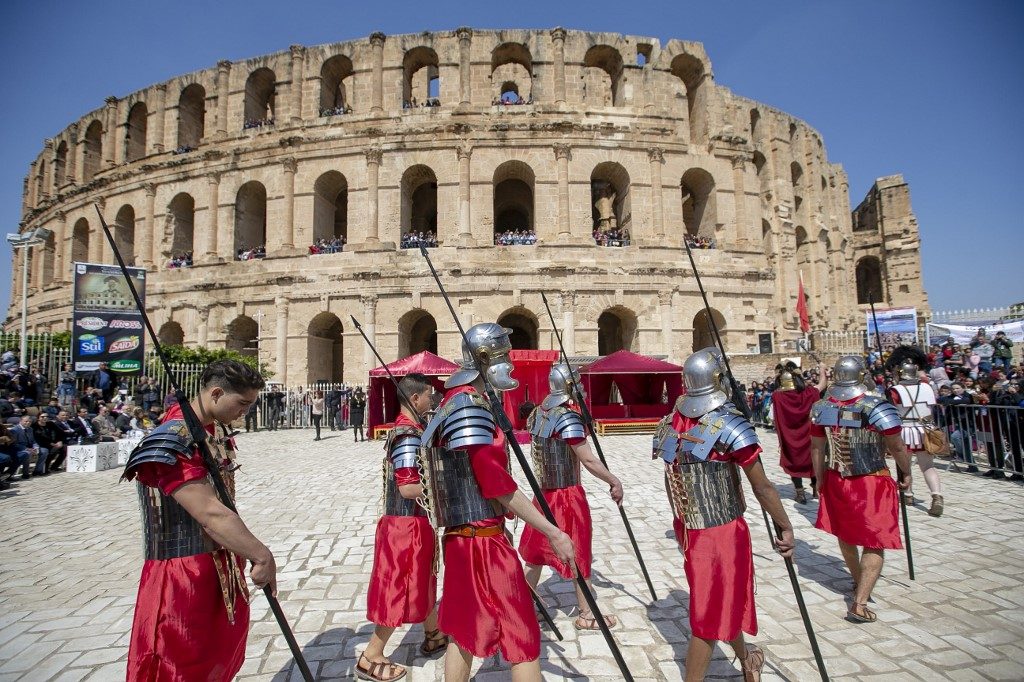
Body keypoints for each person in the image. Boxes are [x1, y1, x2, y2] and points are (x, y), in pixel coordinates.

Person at [419, 323, 574, 682]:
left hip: (462, 538)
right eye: (504, 355)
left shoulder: (452, 402)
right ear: (487, 359)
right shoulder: (470, 407)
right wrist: (553, 533)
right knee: (521, 633)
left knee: (465, 629)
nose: (510, 363)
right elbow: (497, 486)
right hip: (483, 543)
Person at [122, 359, 276, 681]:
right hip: (182, 572)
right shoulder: (175, 438)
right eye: (243, 404)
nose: (245, 412)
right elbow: (209, 512)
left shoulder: (212, 430)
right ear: (217, 393)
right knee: (179, 665)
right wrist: (261, 554)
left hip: (217, 562)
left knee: (215, 658)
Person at [655, 347, 794, 681]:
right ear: (717, 379)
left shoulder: (670, 421)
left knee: (719, 598)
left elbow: (669, 474)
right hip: (719, 531)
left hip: (688, 527)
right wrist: (786, 526)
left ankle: (748, 657)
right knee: (707, 615)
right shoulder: (730, 423)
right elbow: (762, 487)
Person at [518, 362, 623, 631]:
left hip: (543, 495)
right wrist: (613, 480)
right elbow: (587, 460)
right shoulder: (566, 417)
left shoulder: (539, 414)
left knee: (537, 553)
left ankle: (526, 605)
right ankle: (587, 614)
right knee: (579, 551)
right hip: (566, 495)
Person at [810, 355, 912, 624]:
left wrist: (819, 478)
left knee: (845, 533)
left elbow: (817, 448)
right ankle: (860, 601)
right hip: (871, 481)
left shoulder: (822, 406)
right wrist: (907, 471)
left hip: (835, 478)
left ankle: (858, 581)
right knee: (874, 540)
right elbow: (897, 446)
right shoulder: (875, 405)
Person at [359, 373, 445, 681]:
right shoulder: (408, 435)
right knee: (398, 589)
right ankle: (371, 655)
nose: (432, 398)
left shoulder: (413, 429)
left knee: (423, 579)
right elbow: (408, 487)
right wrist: (444, 488)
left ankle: (433, 633)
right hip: (405, 525)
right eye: (428, 394)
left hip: (413, 523)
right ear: (416, 398)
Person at [886, 346, 943, 516]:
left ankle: (908, 495)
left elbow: (892, 408)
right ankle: (936, 495)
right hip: (924, 428)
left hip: (906, 429)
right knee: (928, 466)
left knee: (905, 465)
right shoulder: (927, 387)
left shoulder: (896, 391)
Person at [770, 359, 826, 503]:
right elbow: (822, 385)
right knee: (812, 459)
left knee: (793, 461)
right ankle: (815, 488)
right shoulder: (808, 393)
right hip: (809, 436)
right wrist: (822, 370)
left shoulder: (777, 396)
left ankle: (800, 492)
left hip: (789, 437)